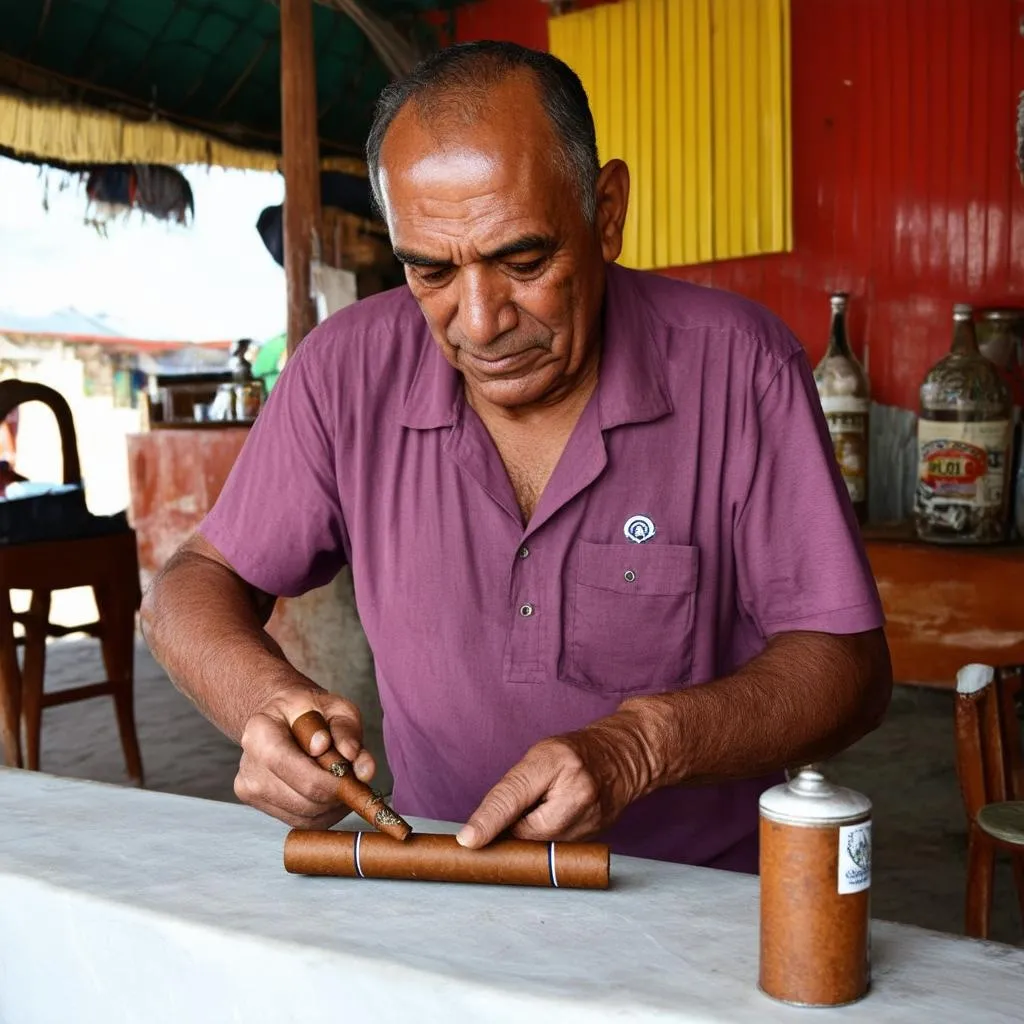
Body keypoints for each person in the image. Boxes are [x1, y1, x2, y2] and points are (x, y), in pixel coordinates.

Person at [141, 41, 892, 872]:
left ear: (606, 212)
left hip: (691, 905)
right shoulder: (345, 371)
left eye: (524, 262)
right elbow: (190, 585)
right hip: (434, 875)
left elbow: (849, 670)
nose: (480, 322)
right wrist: (267, 703)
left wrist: (644, 746)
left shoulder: (738, 368)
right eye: (429, 271)